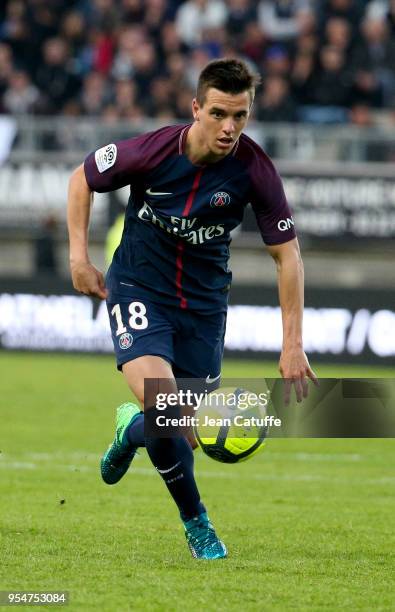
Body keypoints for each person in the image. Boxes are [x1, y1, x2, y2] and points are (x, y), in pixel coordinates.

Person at [67, 58, 316, 560]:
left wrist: (293, 345)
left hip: (203, 309)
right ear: (196, 107)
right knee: (170, 410)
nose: (230, 128)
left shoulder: (255, 170)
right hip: (139, 289)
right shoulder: (152, 150)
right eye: (220, 114)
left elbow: (287, 257)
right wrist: (79, 258)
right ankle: (197, 522)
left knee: (179, 428)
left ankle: (129, 429)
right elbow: (82, 177)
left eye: (241, 116)